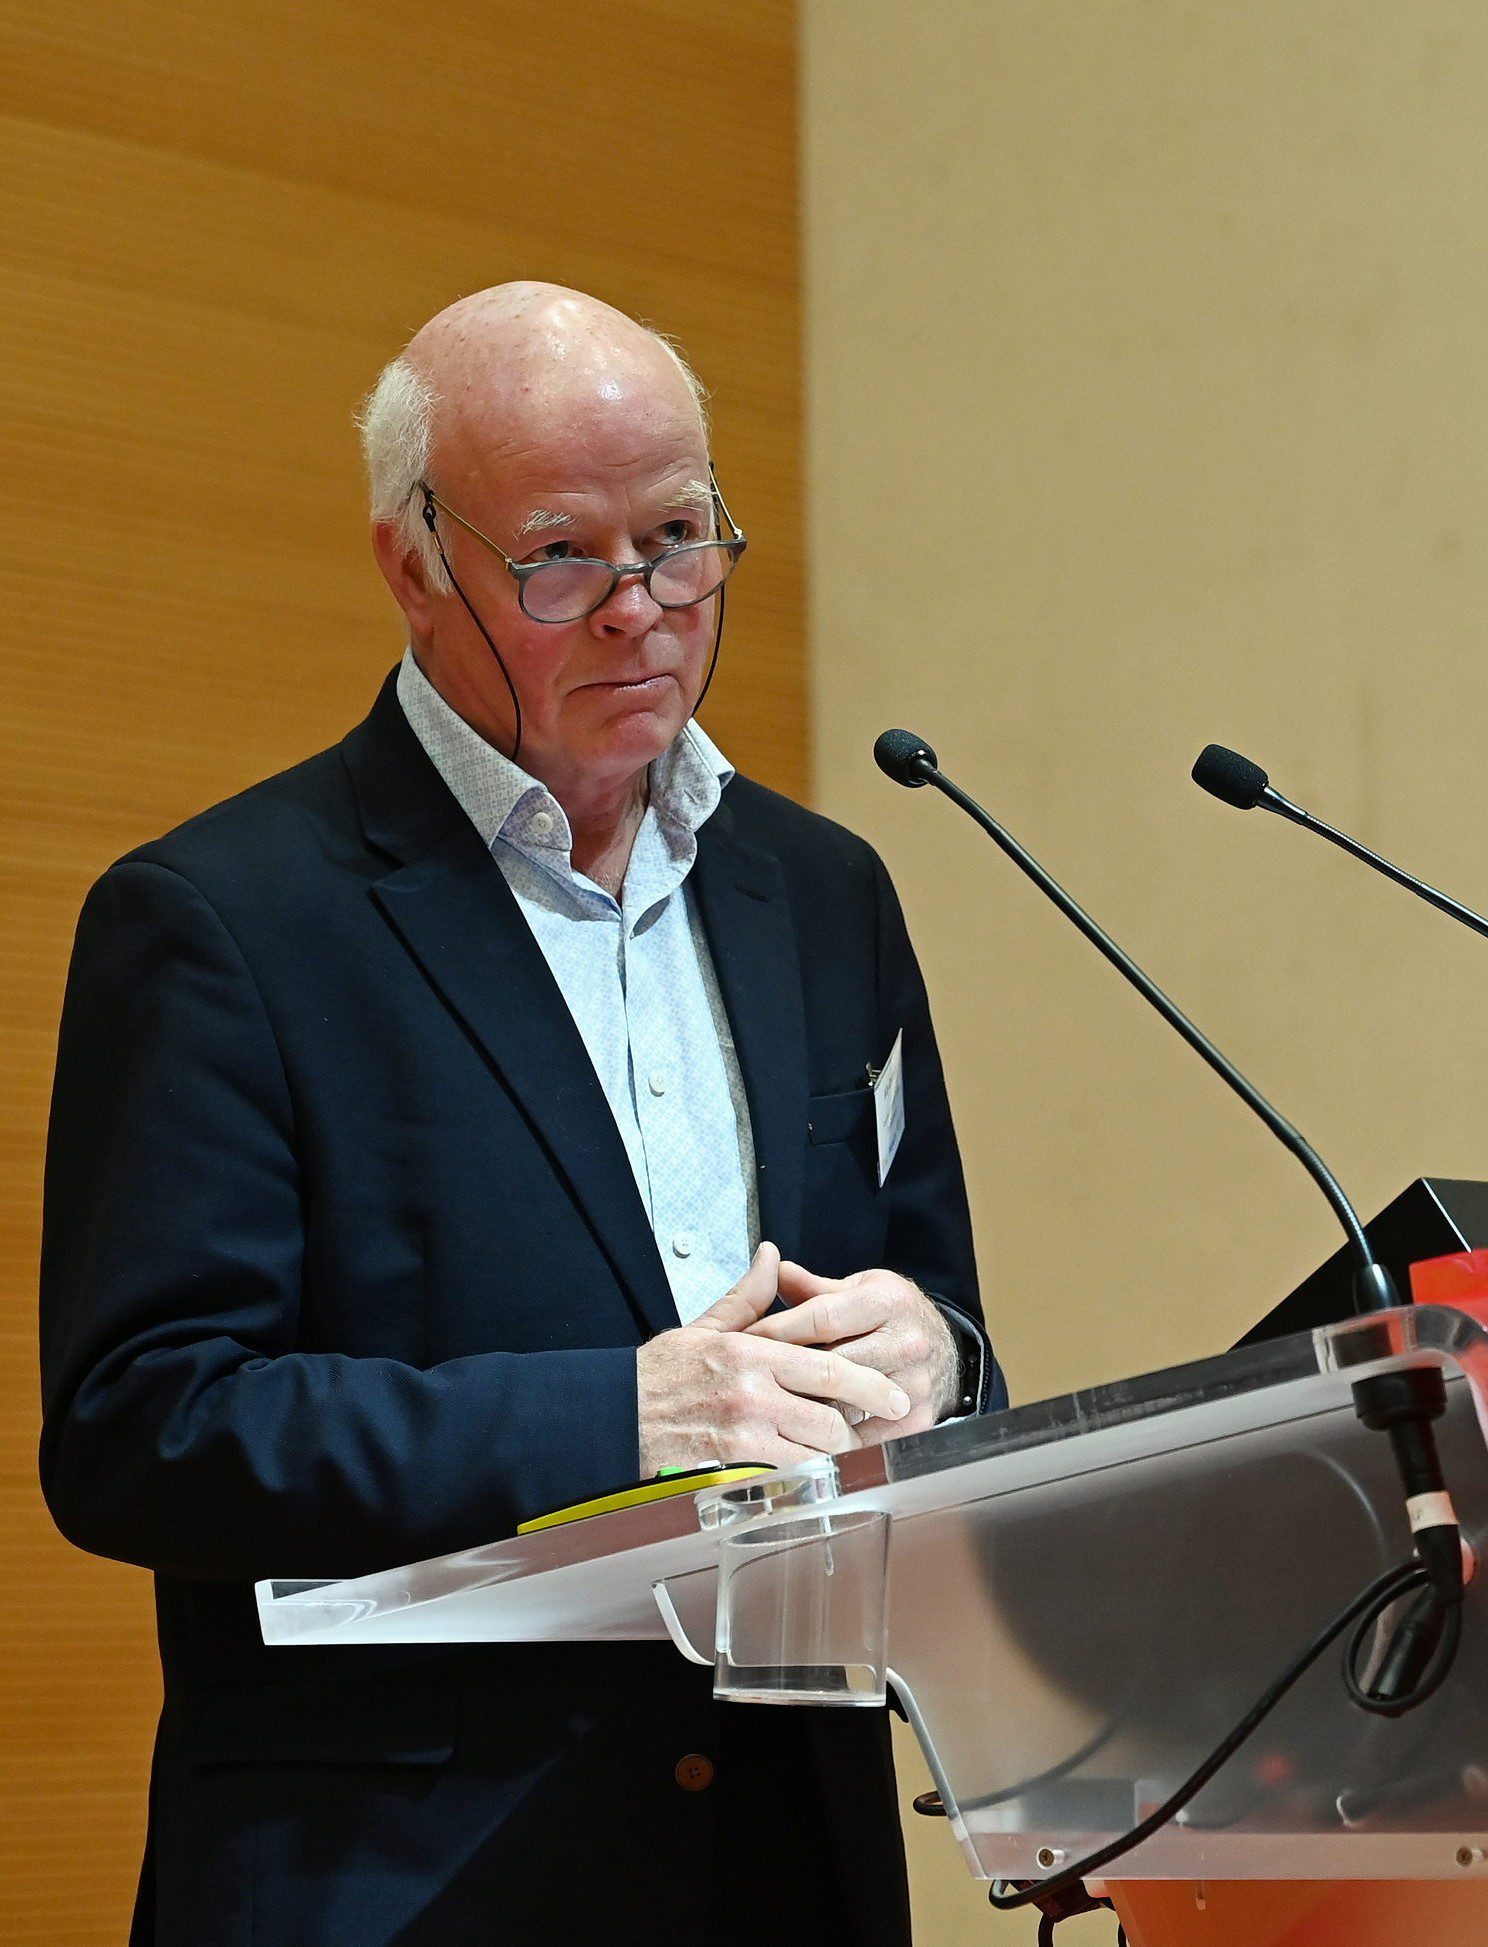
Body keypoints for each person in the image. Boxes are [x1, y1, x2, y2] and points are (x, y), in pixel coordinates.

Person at [40, 283, 1002, 1947]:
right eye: (562, 554)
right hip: (411, 1884)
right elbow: (145, 1433)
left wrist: (944, 1363)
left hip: (790, 1867)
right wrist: (625, 1418)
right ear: (413, 563)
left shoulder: (823, 890)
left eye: (684, 536)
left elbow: (940, 1304)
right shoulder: (226, 920)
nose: (645, 610)